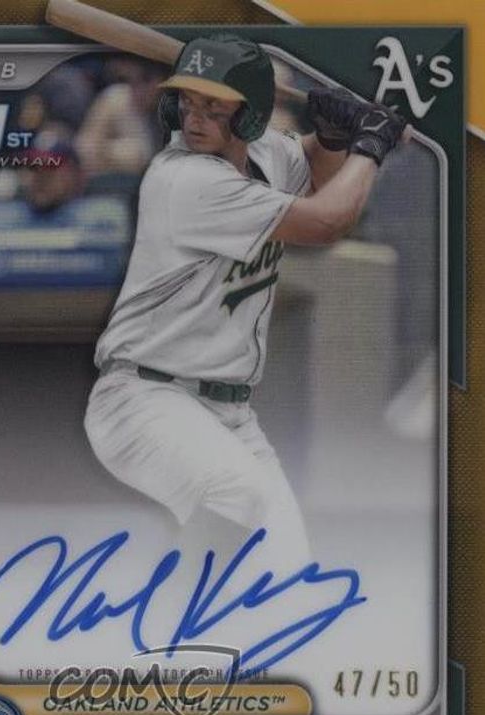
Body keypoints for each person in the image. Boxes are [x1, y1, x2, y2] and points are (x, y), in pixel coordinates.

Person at [83, 34, 407, 577]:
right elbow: (327, 220)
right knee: (236, 491)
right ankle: (169, 623)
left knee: (287, 576)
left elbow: (312, 168)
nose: (195, 118)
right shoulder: (184, 177)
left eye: (214, 107)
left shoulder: (266, 153)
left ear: (251, 115)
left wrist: (331, 138)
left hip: (228, 413)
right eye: (188, 102)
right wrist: (370, 145)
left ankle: (217, 626)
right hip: (144, 400)